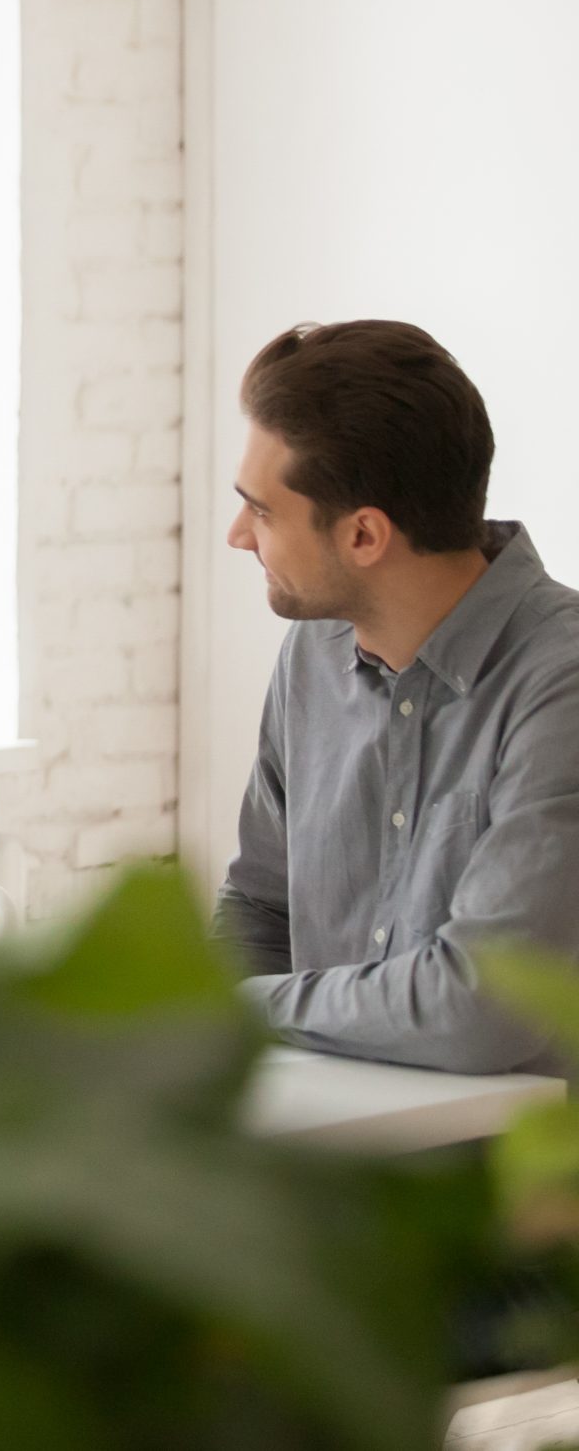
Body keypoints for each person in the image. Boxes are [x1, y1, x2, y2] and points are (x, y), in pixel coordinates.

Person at [212, 321, 579, 1075]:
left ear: (365, 536)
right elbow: (259, 907)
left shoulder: (561, 681)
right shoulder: (312, 653)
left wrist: (248, 1007)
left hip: (507, 1182)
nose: (238, 534)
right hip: (336, 1147)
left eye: (263, 509)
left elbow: (479, 1007)